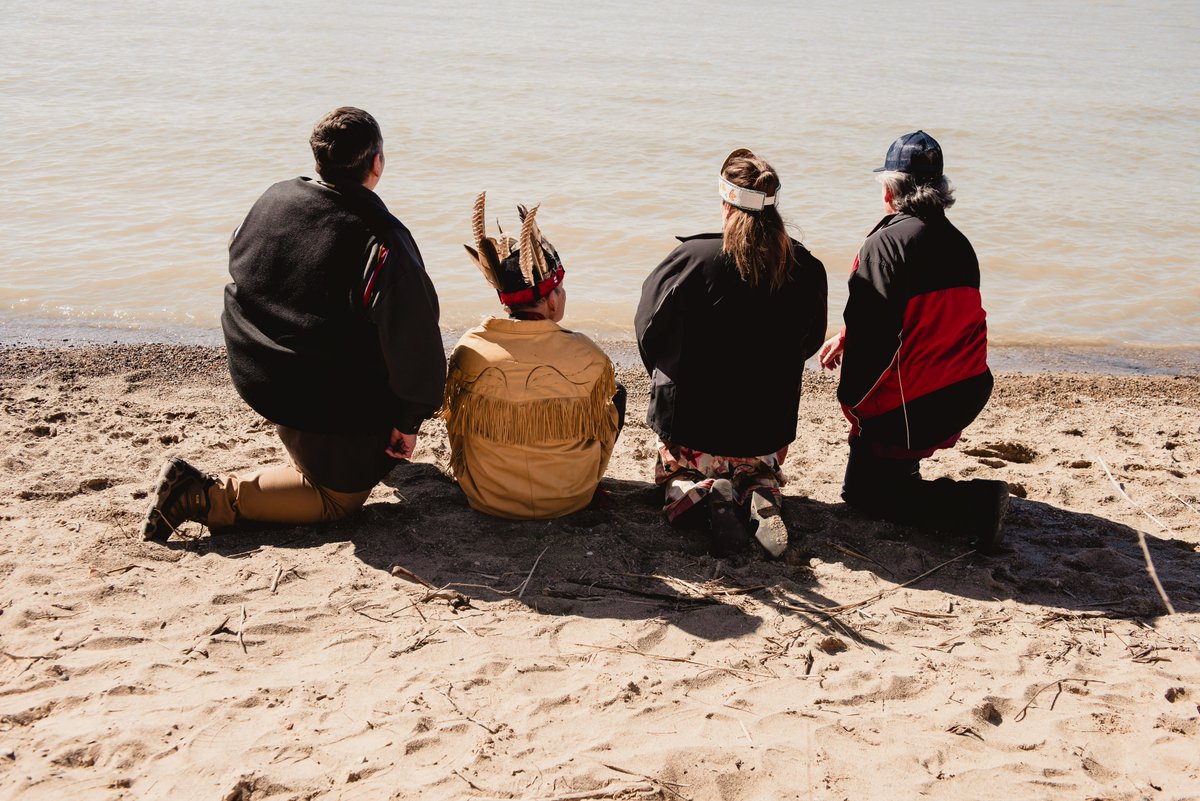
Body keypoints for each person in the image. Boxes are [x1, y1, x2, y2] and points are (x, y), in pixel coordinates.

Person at [140, 107, 446, 541]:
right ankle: (204, 496)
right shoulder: (380, 238)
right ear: (377, 162)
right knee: (338, 499)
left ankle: (323, 448)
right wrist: (410, 420)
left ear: (318, 157)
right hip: (314, 396)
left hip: (264, 373)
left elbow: (242, 260)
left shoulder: (275, 198)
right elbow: (416, 343)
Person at [818, 130, 1008, 551]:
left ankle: (977, 504)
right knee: (876, 474)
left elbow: (877, 341)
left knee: (862, 497)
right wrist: (848, 334)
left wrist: (856, 411)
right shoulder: (959, 243)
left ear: (889, 191)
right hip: (966, 389)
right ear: (940, 190)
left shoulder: (884, 245)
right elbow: (931, 315)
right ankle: (903, 469)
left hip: (915, 405)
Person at [635, 149, 828, 558]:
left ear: (726, 203)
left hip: (692, 429)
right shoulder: (808, 268)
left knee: (678, 473)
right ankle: (760, 492)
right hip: (764, 432)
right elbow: (809, 342)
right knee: (759, 470)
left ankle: (696, 492)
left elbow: (648, 331)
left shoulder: (692, 260)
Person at [444, 192, 622, 519]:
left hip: (487, 497)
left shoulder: (468, 349)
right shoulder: (588, 355)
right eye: (561, 288)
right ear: (552, 301)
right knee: (616, 396)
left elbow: (454, 425)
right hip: (570, 500)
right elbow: (603, 424)